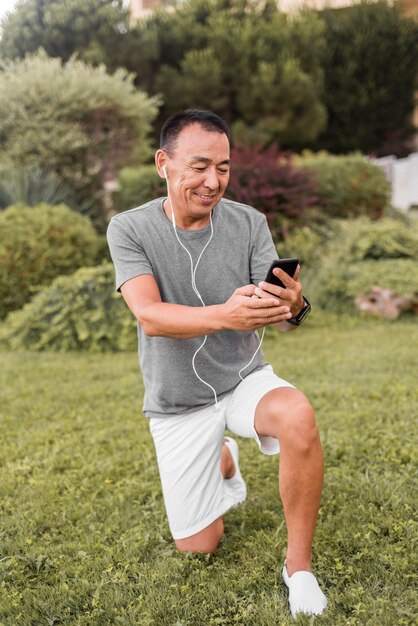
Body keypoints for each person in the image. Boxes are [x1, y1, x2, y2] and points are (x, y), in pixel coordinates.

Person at [106, 109, 327, 619]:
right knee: (199, 546)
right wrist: (226, 315)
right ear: (164, 163)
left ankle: (299, 569)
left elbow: (284, 319)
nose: (213, 182)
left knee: (297, 416)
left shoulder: (249, 222)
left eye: (223, 168)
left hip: (244, 379)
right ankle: (223, 457)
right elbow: (150, 316)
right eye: (200, 166)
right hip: (178, 401)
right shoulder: (130, 228)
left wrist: (293, 304)